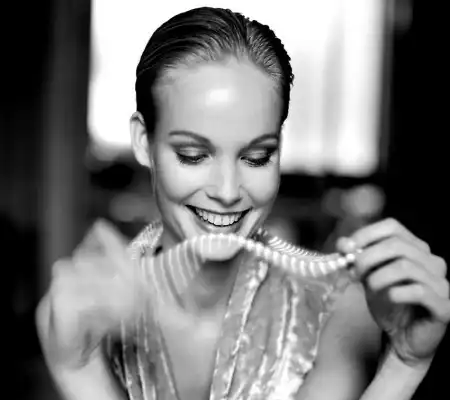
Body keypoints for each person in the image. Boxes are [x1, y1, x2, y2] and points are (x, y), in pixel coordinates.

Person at [35, 6, 450, 400]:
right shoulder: (85, 313)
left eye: (257, 157)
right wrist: (79, 367)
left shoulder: (337, 312)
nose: (229, 191)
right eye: (193, 155)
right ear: (144, 142)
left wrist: (405, 364)